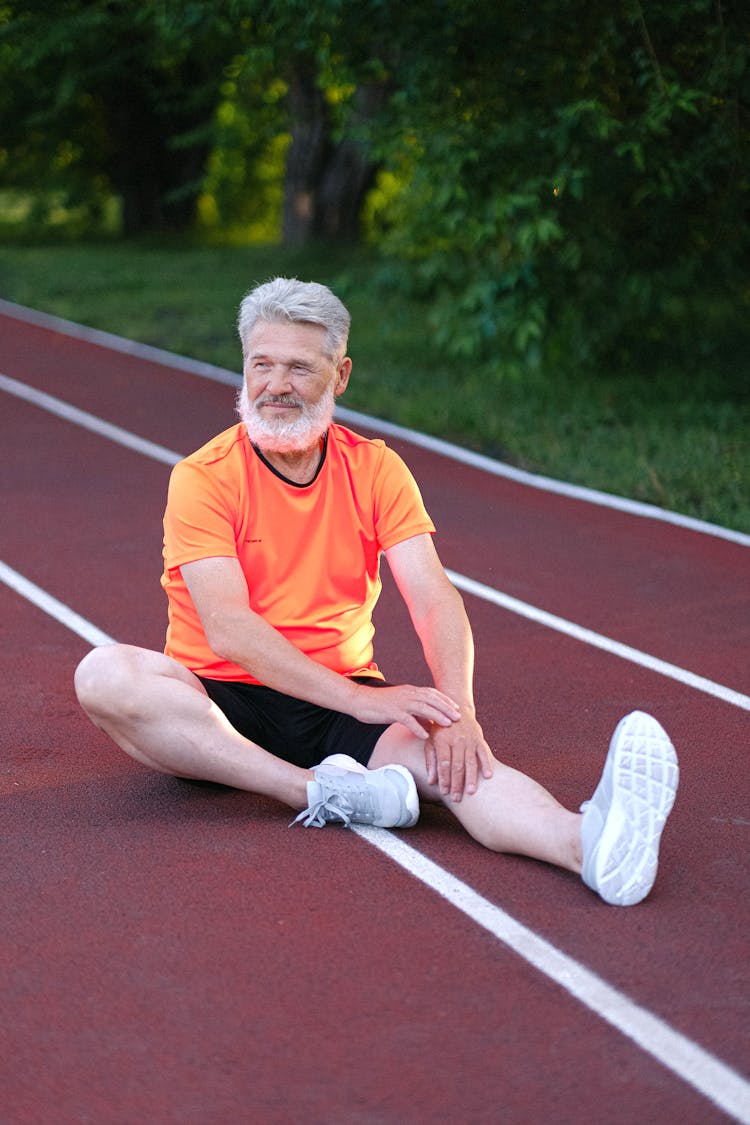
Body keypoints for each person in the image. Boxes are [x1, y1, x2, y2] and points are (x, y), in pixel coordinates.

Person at [74, 277, 679, 907]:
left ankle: (588, 844)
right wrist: (360, 704)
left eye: (300, 368)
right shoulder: (203, 479)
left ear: (340, 377)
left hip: (343, 697)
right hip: (220, 704)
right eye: (262, 364)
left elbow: (434, 595)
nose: (276, 385)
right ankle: (313, 791)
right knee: (105, 675)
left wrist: (458, 712)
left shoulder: (376, 468)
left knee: (460, 764)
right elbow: (228, 627)